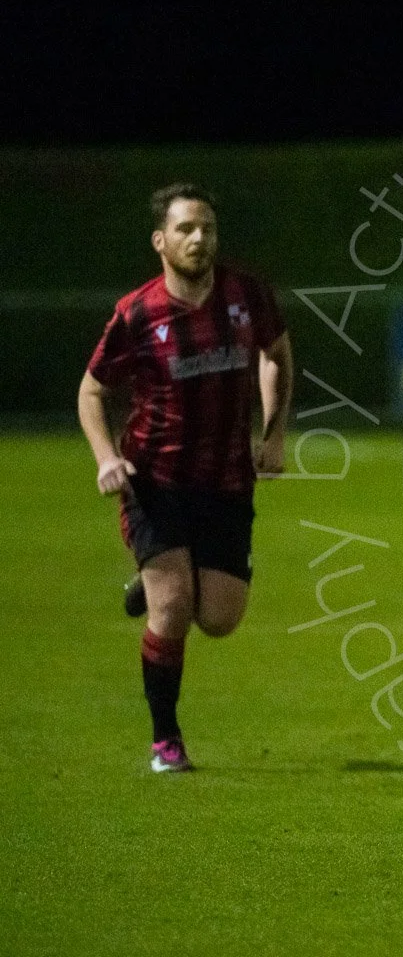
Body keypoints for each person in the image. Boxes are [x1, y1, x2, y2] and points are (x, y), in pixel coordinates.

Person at [79, 183, 294, 771]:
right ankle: (165, 740)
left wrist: (273, 432)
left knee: (220, 618)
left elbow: (277, 352)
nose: (199, 239)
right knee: (172, 611)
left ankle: (151, 583)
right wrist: (105, 457)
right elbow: (93, 390)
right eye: (185, 230)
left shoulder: (246, 296)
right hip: (157, 480)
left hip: (226, 480)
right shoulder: (137, 313)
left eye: (207, 229)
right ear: (161, 241)